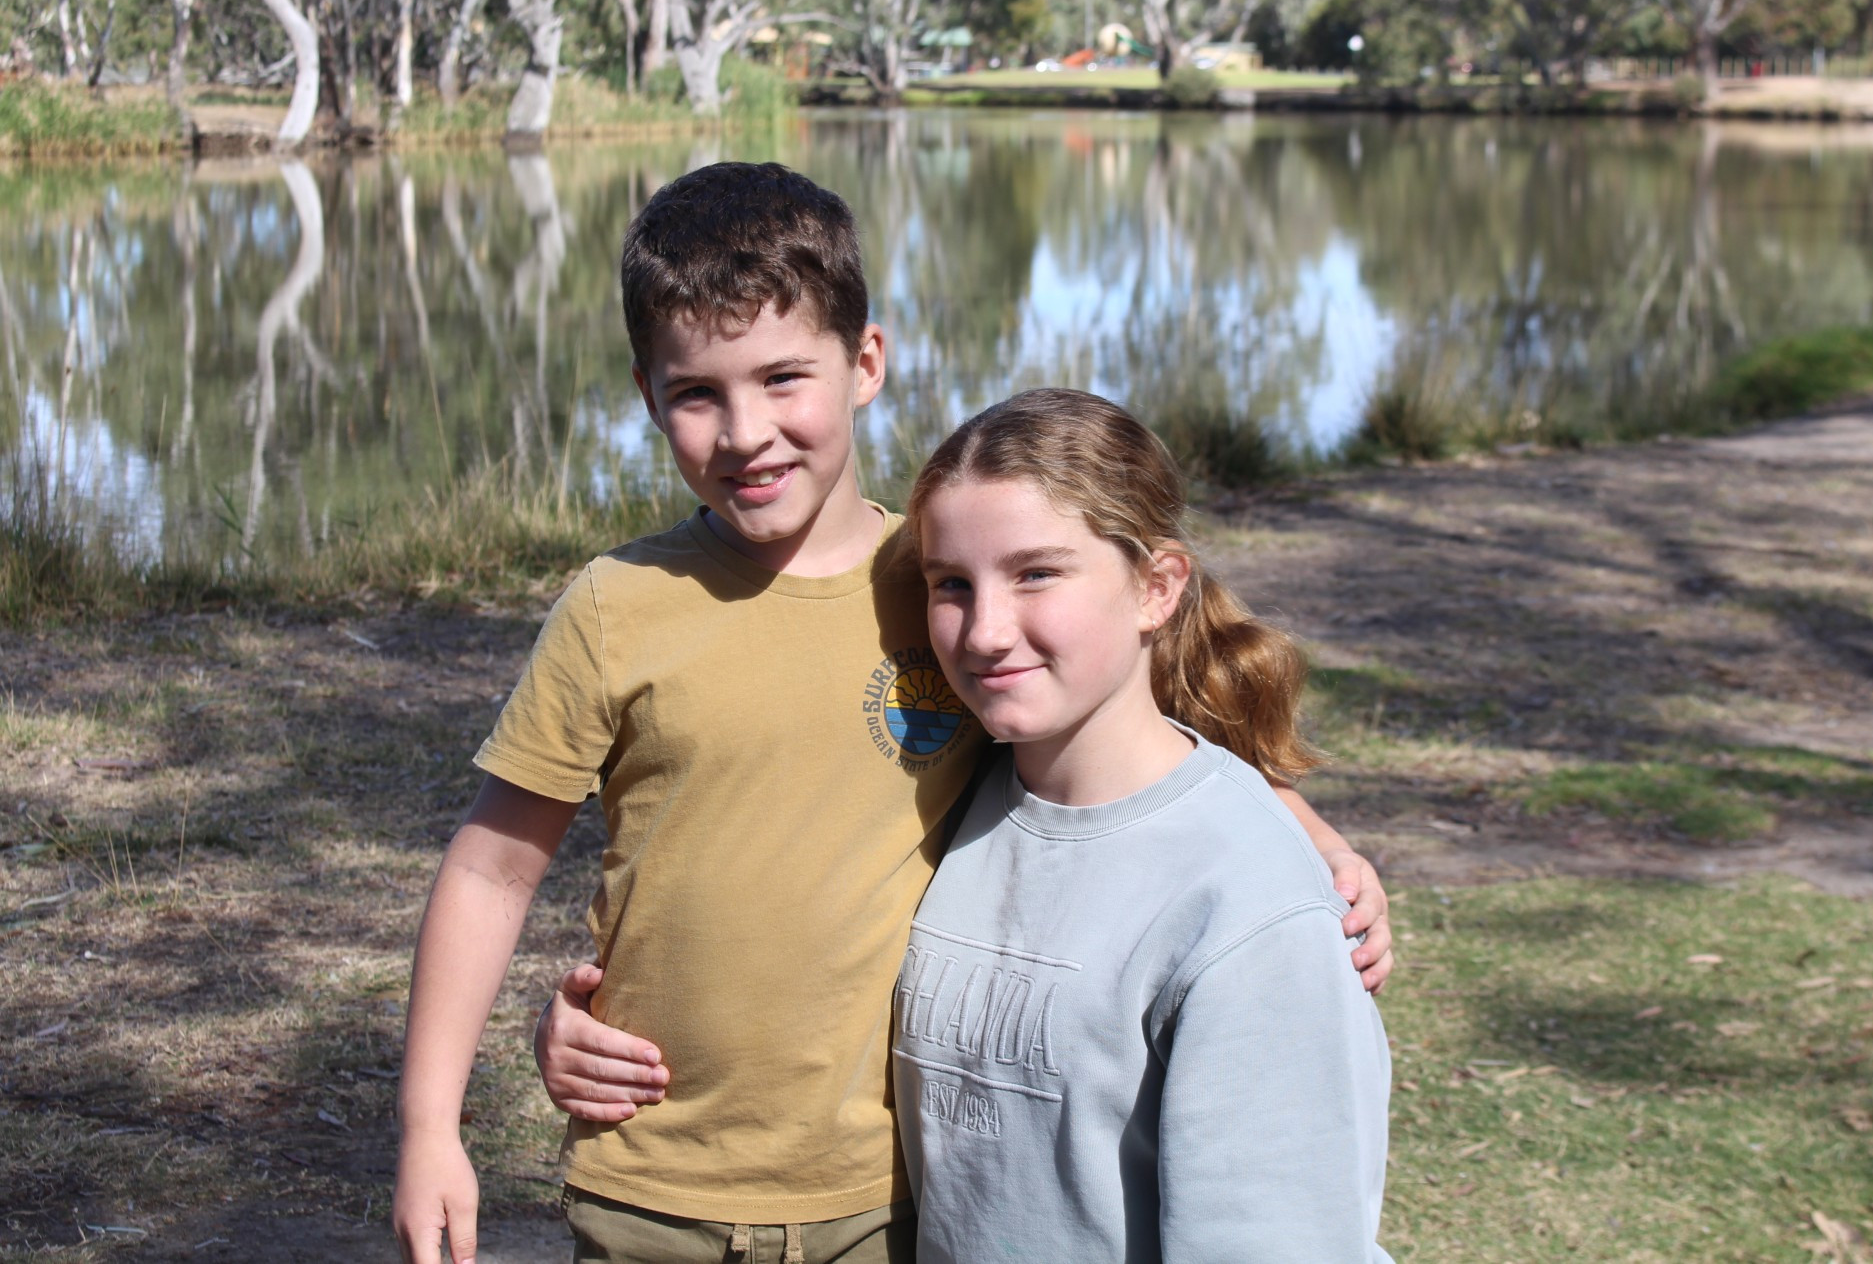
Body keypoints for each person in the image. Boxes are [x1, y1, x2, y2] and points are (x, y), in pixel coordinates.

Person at [393, 162, 1390, 1264]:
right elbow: (490, 868)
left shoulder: (938, 584)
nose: (745, 432)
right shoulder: (616, 609)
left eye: (783, 378)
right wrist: (431, 1125)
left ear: (865, 362)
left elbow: (1132, 709)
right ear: (645, 395)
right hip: (651, 1184)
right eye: (696, 394)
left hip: (890, 1198)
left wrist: (1312, 845)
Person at [894, 388, 1393, 1261]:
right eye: (951, 584)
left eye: (1036, 572)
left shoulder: (1251, 907)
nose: (985, 631)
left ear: (1156, 588)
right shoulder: (949, 790)